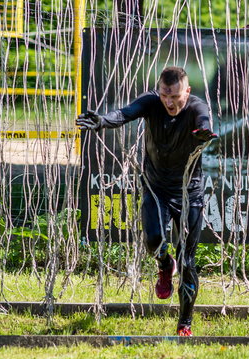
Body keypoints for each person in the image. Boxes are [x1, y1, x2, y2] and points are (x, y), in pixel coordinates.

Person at [76, 66, 217, 336]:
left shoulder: (197, 107)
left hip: (190, 193)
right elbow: (125, 113)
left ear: (186, 92)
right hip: (156, 188)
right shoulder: (152, 103)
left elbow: (204, 121)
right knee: (153, 239)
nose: (169, 102)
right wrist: (102, 121)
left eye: (175, 96)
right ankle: (165, 265)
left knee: (188, 260)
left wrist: (203, 133)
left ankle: (184, 324)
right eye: (165, 95)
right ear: (159, 91)